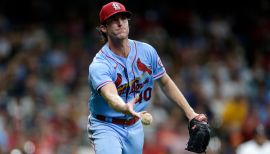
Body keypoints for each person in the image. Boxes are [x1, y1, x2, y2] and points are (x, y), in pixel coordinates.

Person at [87, 1, 207, 154]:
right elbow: (111, 96)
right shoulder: (100, 64)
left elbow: (165, 81)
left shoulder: (146, 51)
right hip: (106, 125)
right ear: (104, 28)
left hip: (135, 125)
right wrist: (125, 107)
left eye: (123, 18)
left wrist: (191, 114)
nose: (120, 23)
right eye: (114, 20)